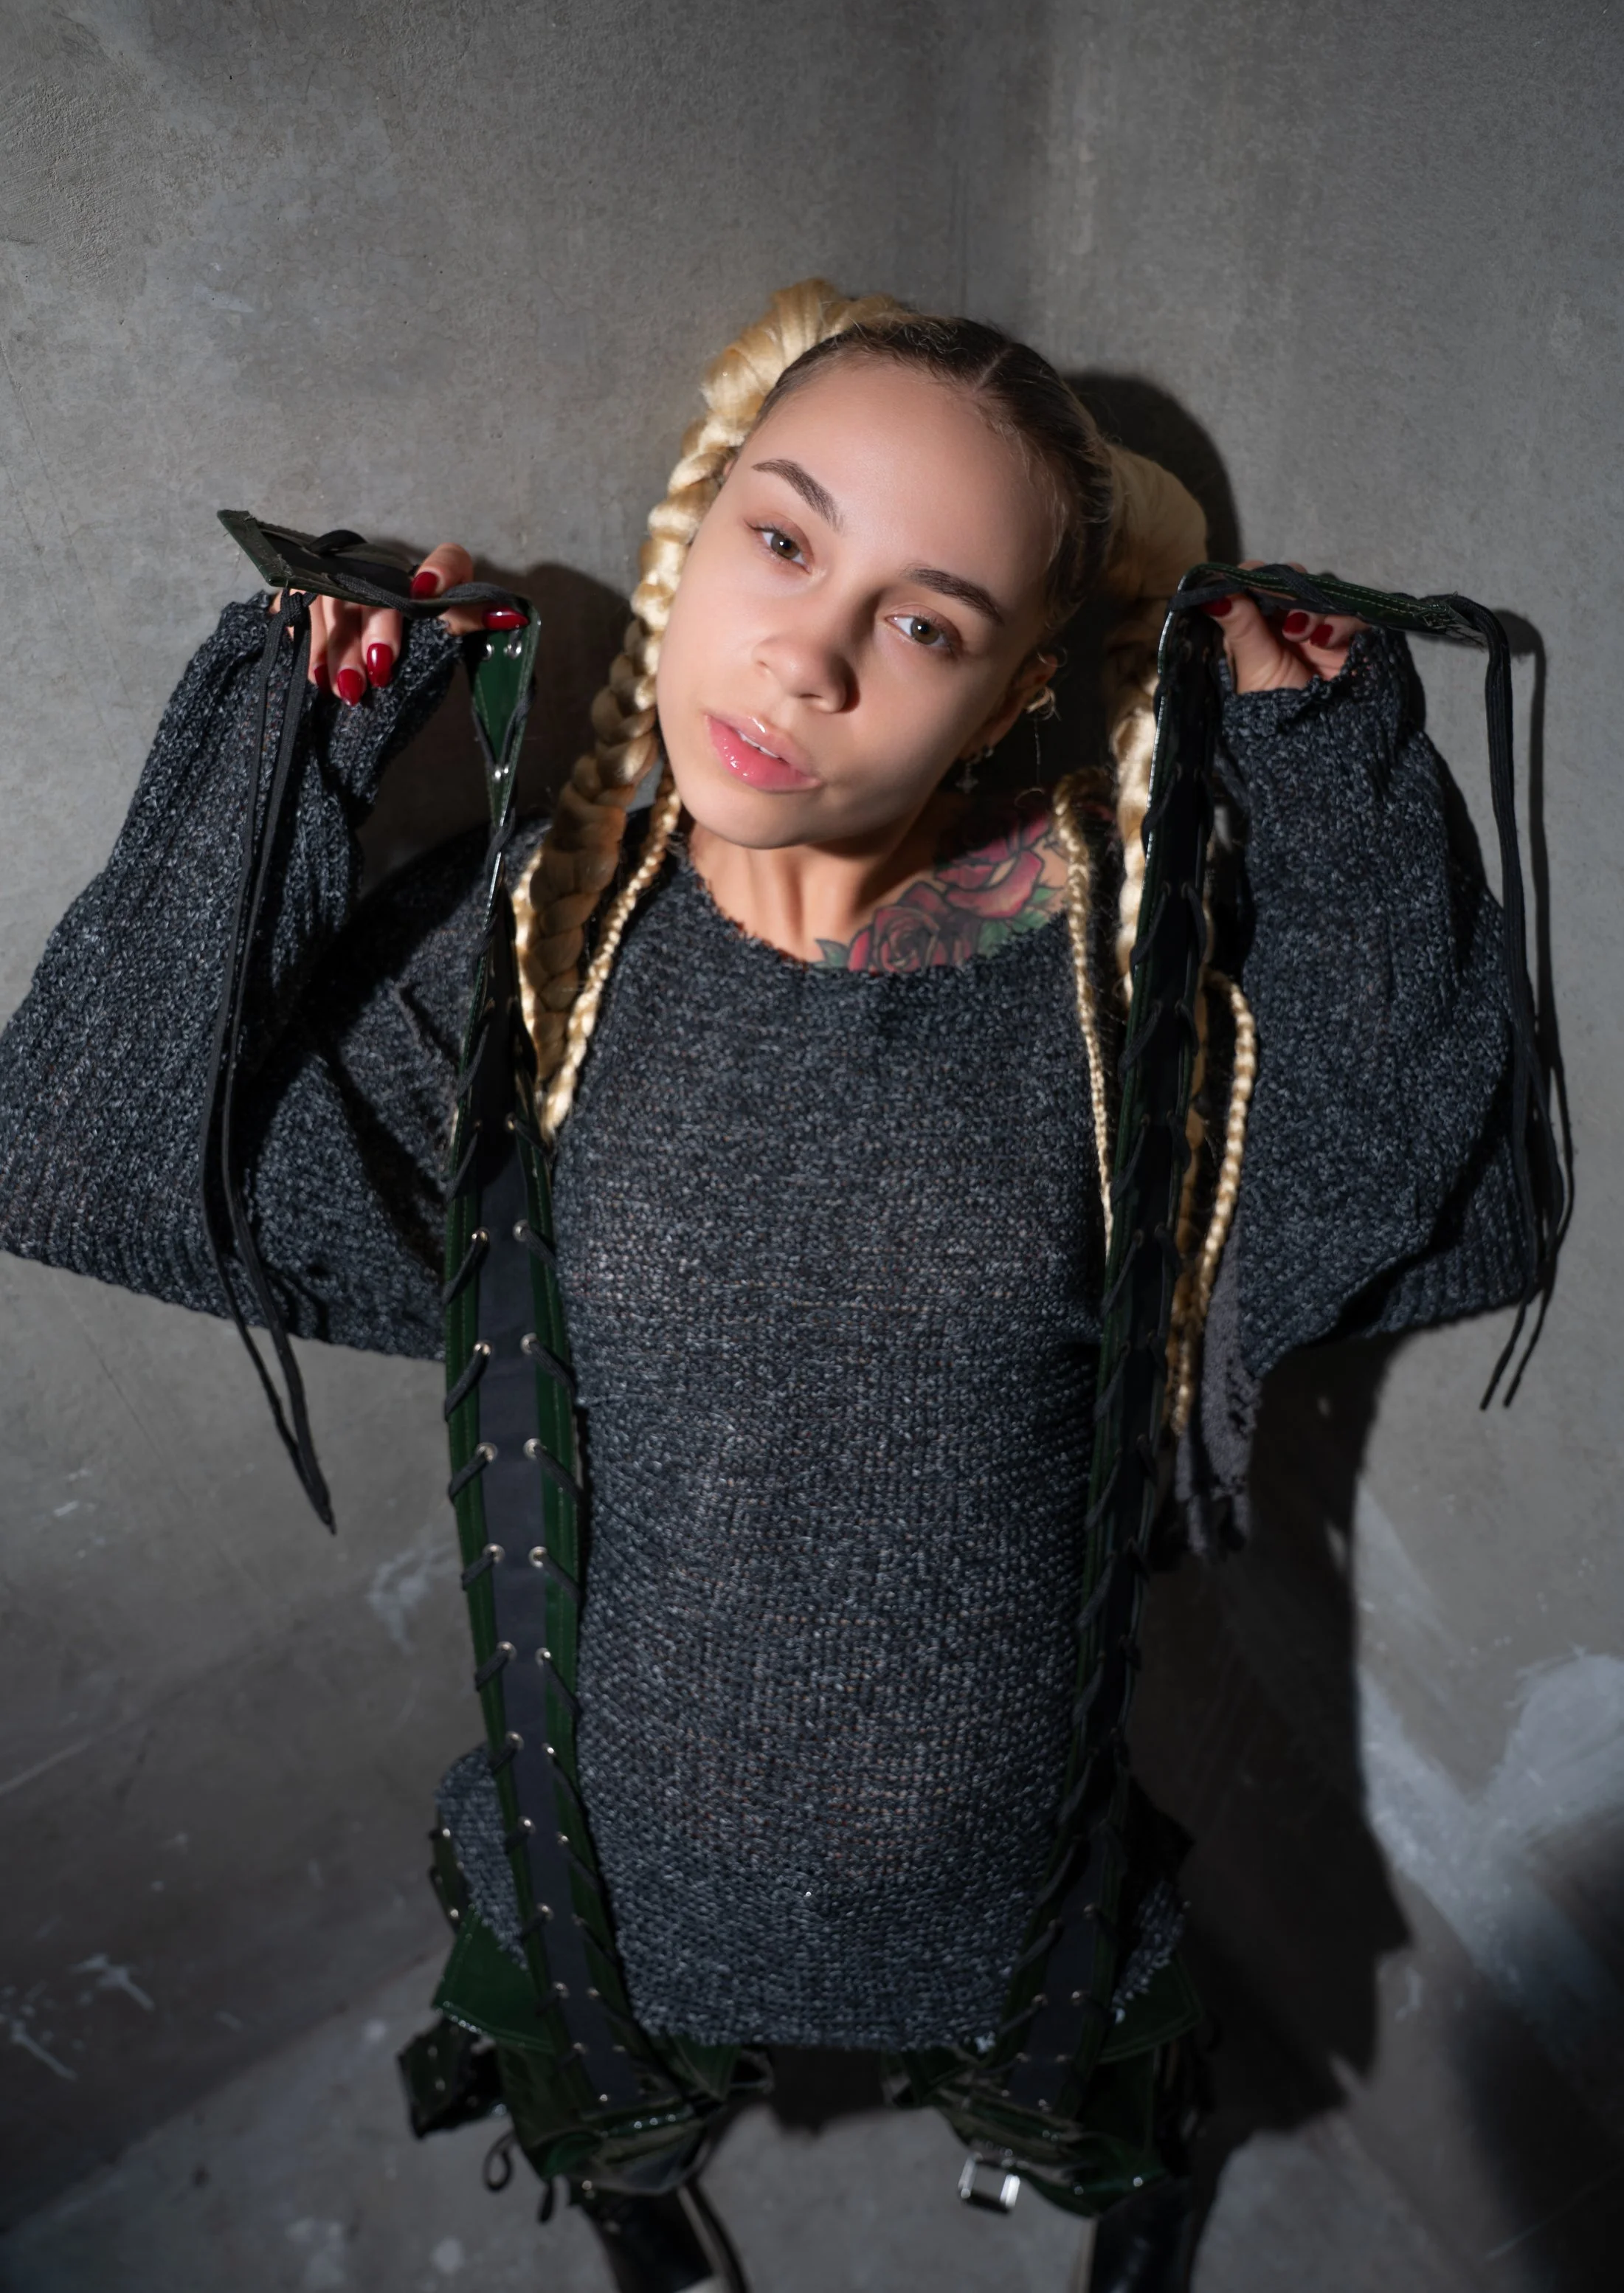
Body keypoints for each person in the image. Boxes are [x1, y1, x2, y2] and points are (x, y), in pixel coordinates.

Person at [0, 283, 1530, 2293]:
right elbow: (88, 1148)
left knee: (1125, 2095)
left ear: (1005, 693)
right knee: (603, 2086)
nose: (806, 655)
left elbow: (1408, 1170)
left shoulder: (1090, 977)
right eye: (787, 538)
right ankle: (643, 2200)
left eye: (925, 619)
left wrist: (1330, 770)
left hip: (1021, 1879)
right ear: (700, 528)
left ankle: (1129, 2217)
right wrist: (293, 727)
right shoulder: (534, 951)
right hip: (615, 1868)